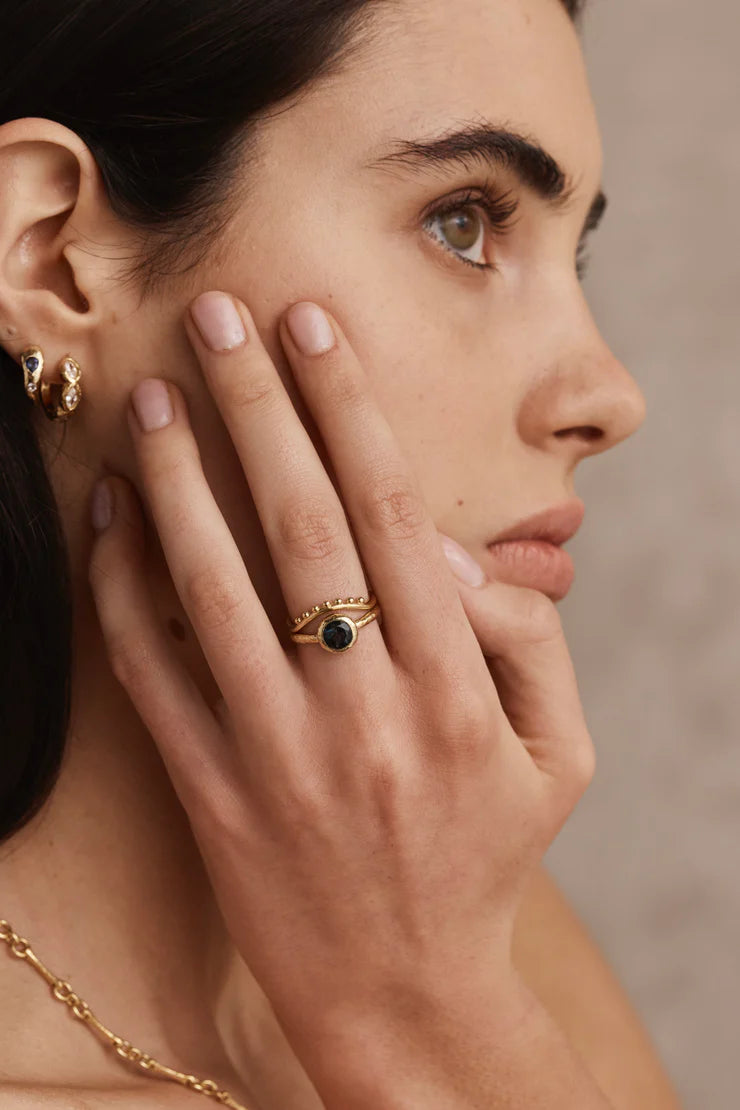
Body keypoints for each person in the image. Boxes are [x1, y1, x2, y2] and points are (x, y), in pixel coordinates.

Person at [0, 0, 683, 1105]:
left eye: (578, 253)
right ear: (51, 259)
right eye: (463, 223)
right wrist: (417, 1020)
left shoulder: (461, 914)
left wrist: (435, 998)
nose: (608, 398)